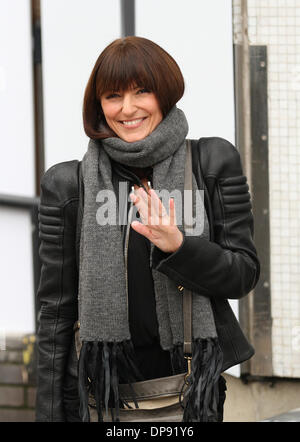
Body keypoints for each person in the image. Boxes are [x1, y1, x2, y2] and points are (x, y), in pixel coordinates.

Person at [35, 36, 260, 423]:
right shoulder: (70, 185)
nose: (128, 108)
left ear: (165, 93)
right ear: (98, 106)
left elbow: (243, 274)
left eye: (142, 91)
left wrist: (179, 246)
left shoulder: (210, 163)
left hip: (191, 395)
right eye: (112, 96)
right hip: (103, 397)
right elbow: (54, 315)